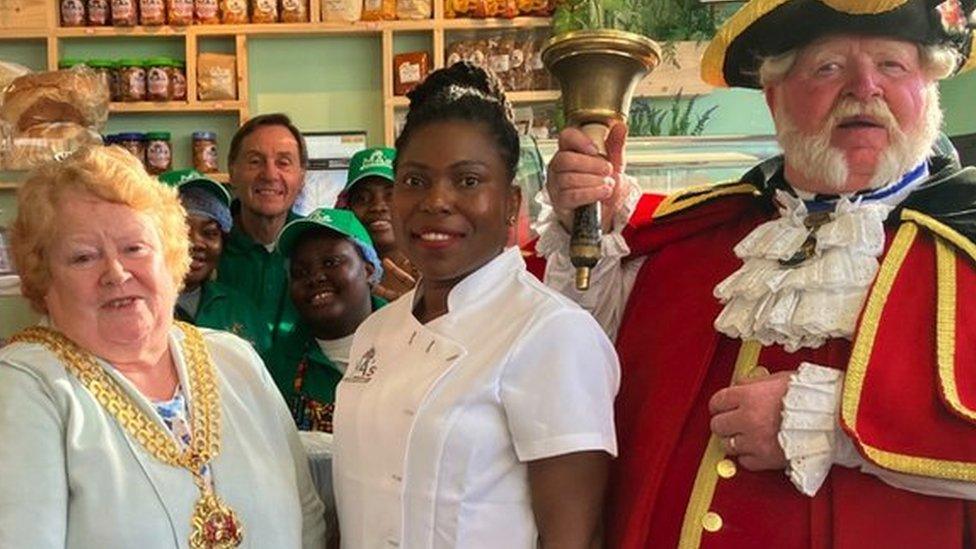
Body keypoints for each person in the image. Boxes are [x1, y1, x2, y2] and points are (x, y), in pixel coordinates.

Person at [538, 0, 976, 547]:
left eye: (892, 66)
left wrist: (834, 423)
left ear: (928, 89)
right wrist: (589, 229)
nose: (865, 87)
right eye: (828, 68)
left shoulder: (968, 240)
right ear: (774, 99)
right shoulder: (692, 235)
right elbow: (578, 360)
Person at [332, 62, 620, 548]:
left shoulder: (552, 334)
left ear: (511, 203)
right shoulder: (376, 331)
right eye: (415, 181)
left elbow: (575, 539)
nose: (436, 201)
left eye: (467, 181)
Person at [0, 146, 326, 548]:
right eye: (84, 257)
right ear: (42, 277)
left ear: (172, 255)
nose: (116, 273)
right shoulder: (26, 383)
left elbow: (307, 517)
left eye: (135, 248)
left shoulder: (234, 358)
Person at [267, 207, 385, 433]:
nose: (315, 278)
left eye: (331, 263)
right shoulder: (279, 365)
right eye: (300, 272)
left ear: (369, 271)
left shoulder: (412, 343)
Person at [158, 168, 270, 357]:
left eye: (210, 233)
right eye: (180, 230)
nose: (196, 243)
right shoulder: (133, 308)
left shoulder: (240, 309)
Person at [218, 112, 306, 346]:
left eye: (283, 162)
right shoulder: (208, 250)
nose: (269, 174)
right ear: (232, 172)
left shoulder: (318, 247)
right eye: (255, 161)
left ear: (302, 176)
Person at [337, 146, 420, 301]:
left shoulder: (434, 271)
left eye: (391, 195)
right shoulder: (340, 273)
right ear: (347, 208)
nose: (377, 207)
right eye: (362, 198)